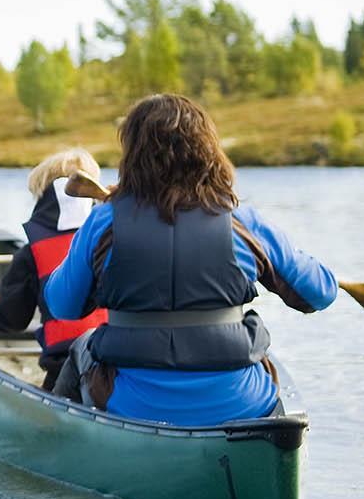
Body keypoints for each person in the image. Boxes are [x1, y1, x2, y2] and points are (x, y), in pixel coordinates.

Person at [41, 94, 337, 426]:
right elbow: (320, 293)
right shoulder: (243, 220)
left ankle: (62, 443)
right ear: (208, 152)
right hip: (242, 404)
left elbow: (62, 306)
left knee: (82, 343)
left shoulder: (105, 222)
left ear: (133, 156)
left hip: (133, 406)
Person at [0, 148, 110, 392]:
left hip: (64, 368)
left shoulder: (32, 253)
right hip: (118, 363)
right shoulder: (112, 237)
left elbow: (11, 318)